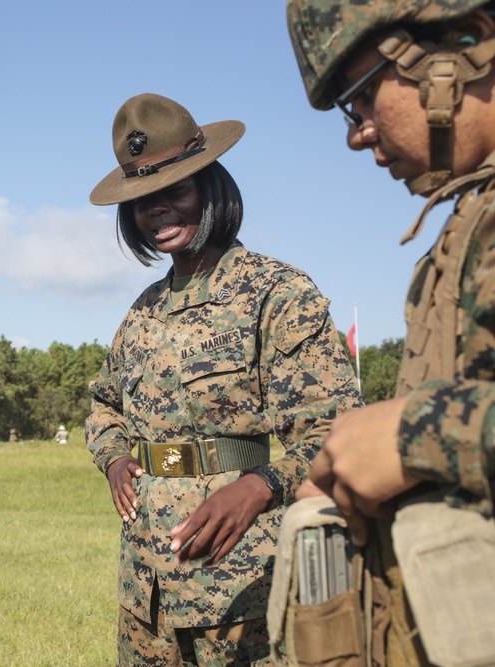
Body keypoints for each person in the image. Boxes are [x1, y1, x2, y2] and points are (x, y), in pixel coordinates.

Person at [85, 93, 361, 666]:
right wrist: (114, 457)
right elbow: (105, 404)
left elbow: (334, 433)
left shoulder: (277, 293)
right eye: (142, 201)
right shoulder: (142, 311)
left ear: (210, 189)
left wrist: (261, 485)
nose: (157, 210)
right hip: (147, 588)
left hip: (242, 584)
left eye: (175, 192)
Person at [285, 2, 495, 665]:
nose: (359, 135)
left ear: (468, 42)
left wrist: (414, 436)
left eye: (361, 96)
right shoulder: (468, 223)